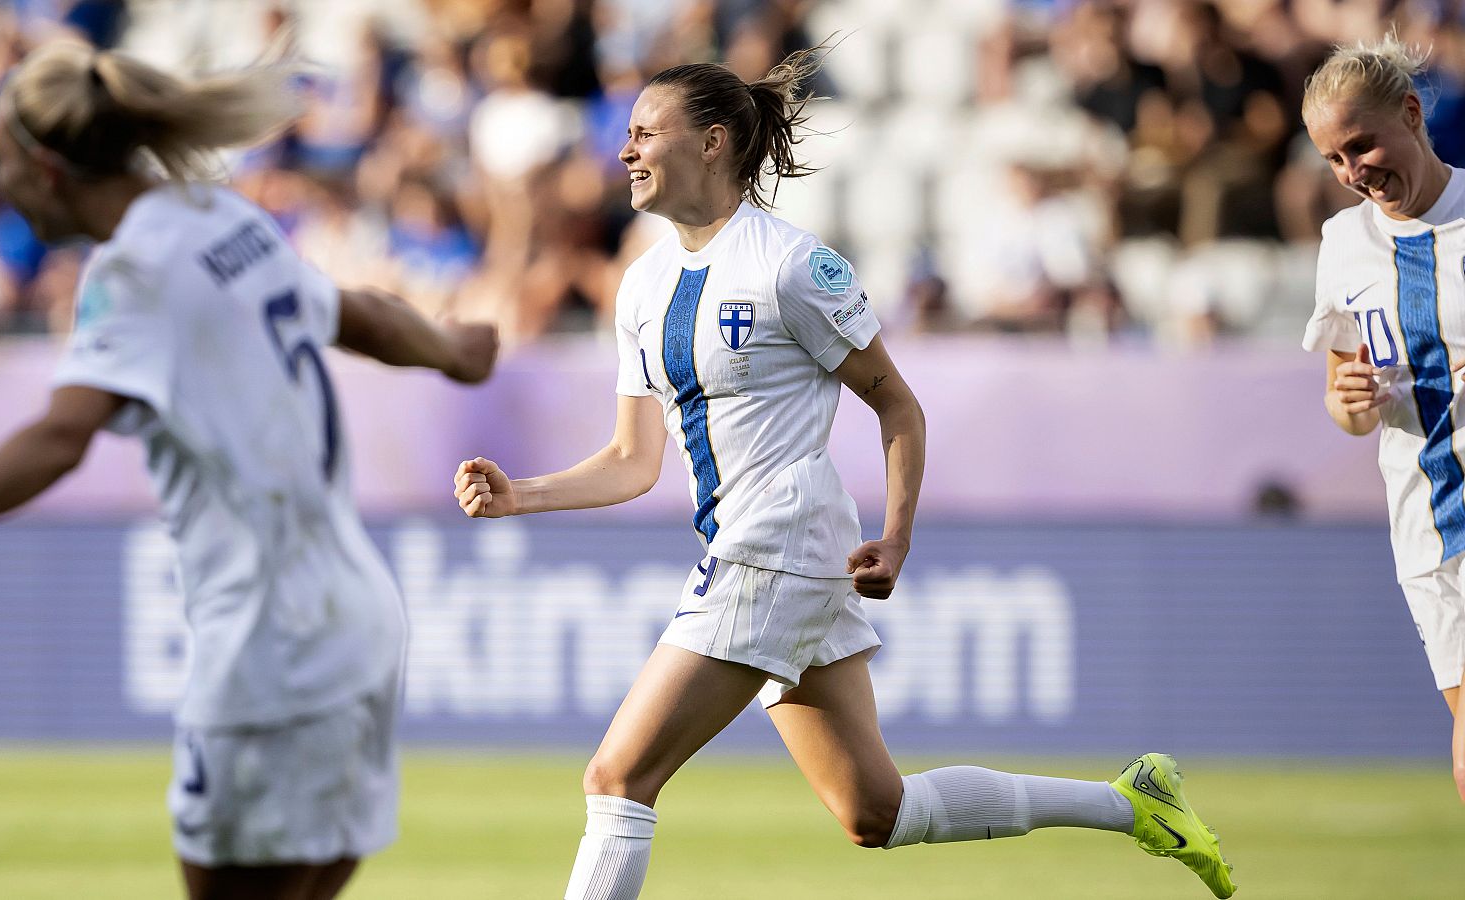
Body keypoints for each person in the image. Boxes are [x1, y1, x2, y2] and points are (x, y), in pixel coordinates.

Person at [454, 48, 1235, 900]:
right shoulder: (641, 286)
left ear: (713, 143)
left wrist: (897, 536)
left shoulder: (791, 265)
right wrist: (517, 495)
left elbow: (898, 406)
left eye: (645, 132)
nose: (626, 150)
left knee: (617, 779)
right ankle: (1134, 804)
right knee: (877, 813)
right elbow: (632, 461)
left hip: (776, 544)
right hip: (774, 553)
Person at [0, 39, 498, 900]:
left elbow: (61, 438)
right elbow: (354, 314)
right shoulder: (220, 218)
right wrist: (451, 350)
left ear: (46, 169)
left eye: (1, 163)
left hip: (267, 653)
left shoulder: (131, 269)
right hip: (359, 624)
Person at [1303, 33, 1465, 806]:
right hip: (1432, 522)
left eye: (1362, 145)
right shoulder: (1345, 244)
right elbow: (1345, 396)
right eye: (1335, 159)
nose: (1352, 173)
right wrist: (1351, 403)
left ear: (1410, 112)